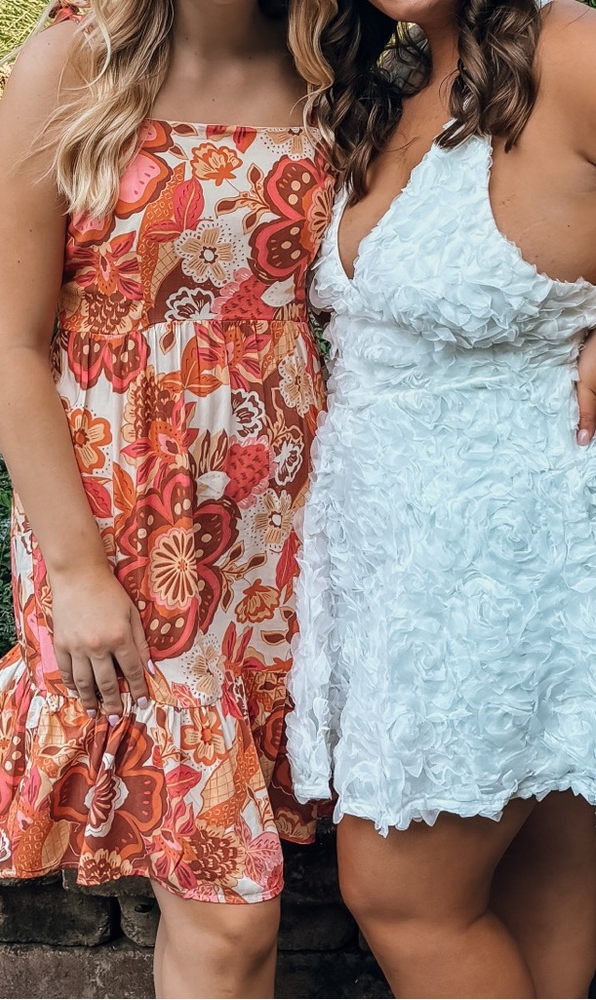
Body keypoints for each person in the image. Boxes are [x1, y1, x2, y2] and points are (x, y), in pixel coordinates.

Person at [0, 0, 333, 995]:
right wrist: (75, 571)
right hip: (123, 539)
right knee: (232, 911)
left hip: (284, 541)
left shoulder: (331, 68)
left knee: (239, 900)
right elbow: (9, 344)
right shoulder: (72, 61)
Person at [285, 0, 596, 996]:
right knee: (540, 875)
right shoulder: (394, 82)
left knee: (401, 893)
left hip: (510, 561)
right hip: (399, 568)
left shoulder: (572, 48)